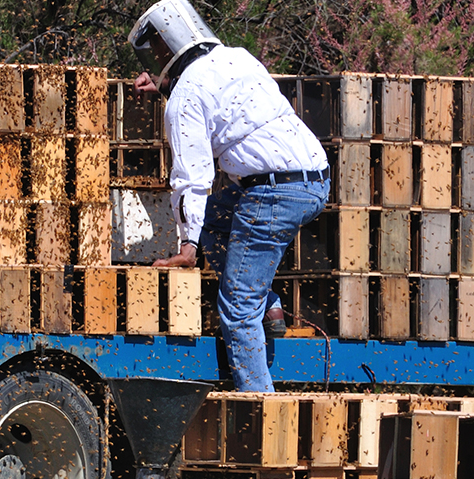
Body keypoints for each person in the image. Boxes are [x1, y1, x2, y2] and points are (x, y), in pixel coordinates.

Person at [130, 0, 330, 392]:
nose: (155, 56)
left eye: (156, 49)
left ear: (167, 47)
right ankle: (270, 301)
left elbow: (192, 176)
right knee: (215, 220)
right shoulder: (237, 58)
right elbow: (223, 98)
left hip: (272, 195)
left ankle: (262, 411)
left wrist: (187, 248)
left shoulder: (185, 95)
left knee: (237, 308)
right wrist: (167, 86)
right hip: (315, 181)